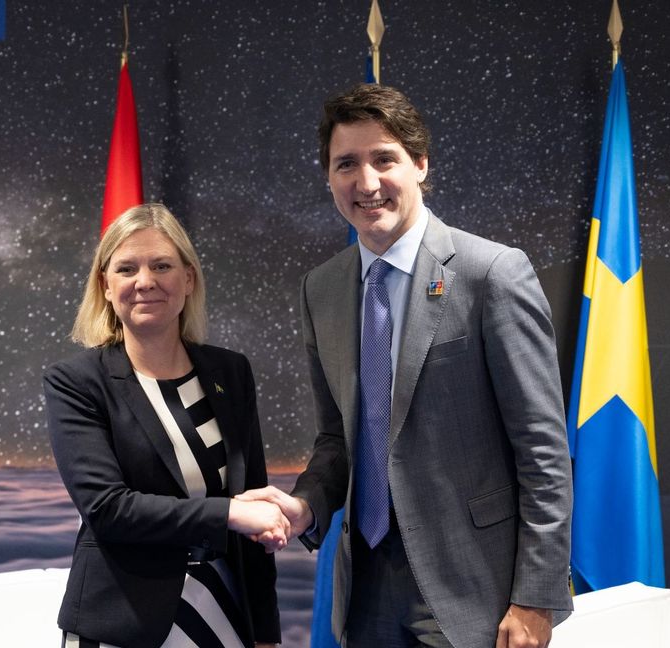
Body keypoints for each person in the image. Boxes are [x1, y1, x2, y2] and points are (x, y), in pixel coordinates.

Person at [240, 83, 573, 648]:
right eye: (347, 164)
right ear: (328, 177)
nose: (366, 183)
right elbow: (336, 442)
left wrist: (536, 597)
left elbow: (543, 451)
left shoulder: (491, 272)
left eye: (384, 159)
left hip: (475, 595)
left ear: (420, 164)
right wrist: (303, 507)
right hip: (366, 589)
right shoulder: (320, 290)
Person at [44, 203, 283, 648]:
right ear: (106, 286)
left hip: (222, 610)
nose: (145, 281)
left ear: (188, 280)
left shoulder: (230, 372)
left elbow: (252, 499)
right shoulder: (76, 381)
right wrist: (228, 513)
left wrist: (266, 633)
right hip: (122, 622)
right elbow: (107, 510)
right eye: (127, 268)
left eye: (162, 265)